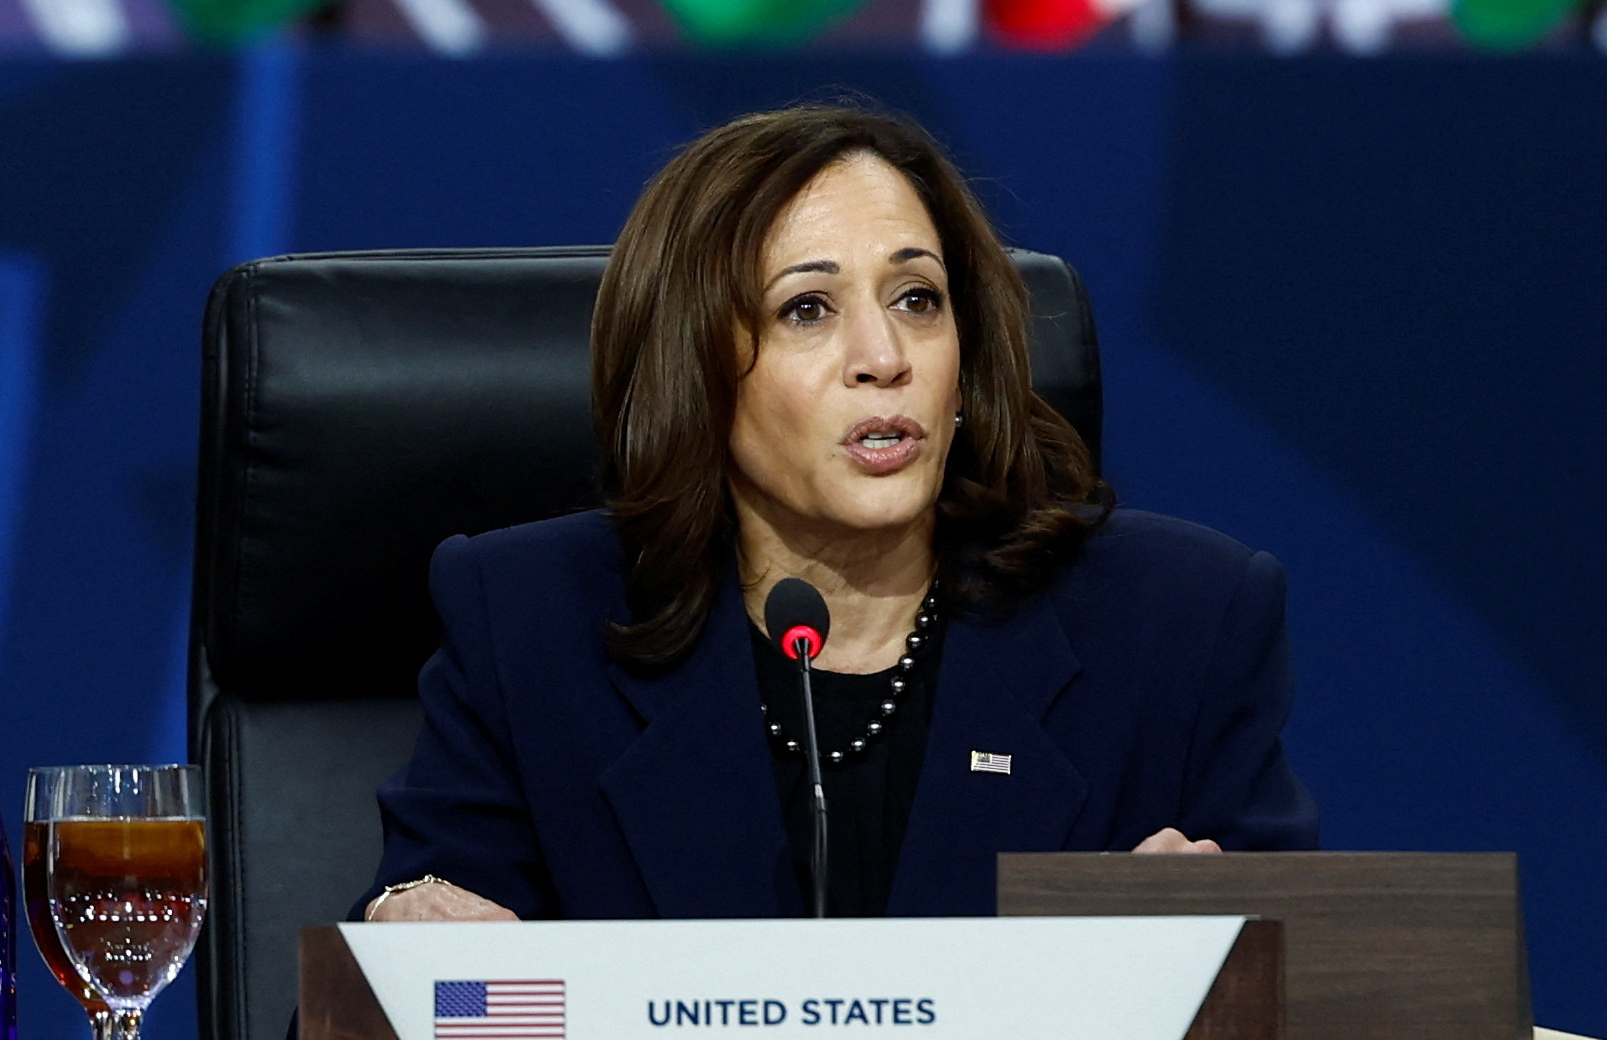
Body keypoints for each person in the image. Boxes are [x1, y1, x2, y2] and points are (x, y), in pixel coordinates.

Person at [360, 105, 1318, 926]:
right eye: (807, 309)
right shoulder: (532, 625)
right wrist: (418, 961)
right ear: (693, 371)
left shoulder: (1176, 625)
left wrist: (1221, 965)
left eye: (917, 299)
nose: (883, 355)